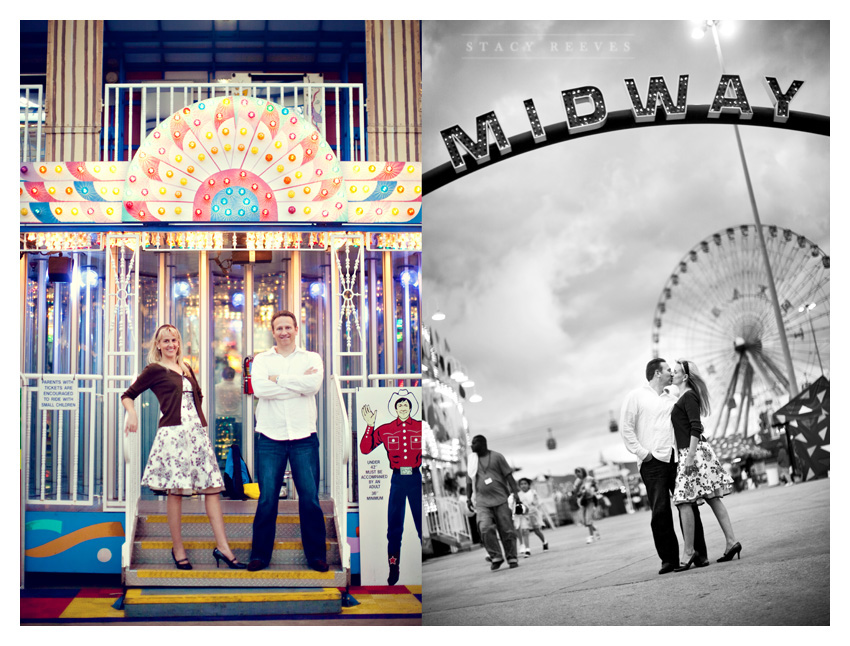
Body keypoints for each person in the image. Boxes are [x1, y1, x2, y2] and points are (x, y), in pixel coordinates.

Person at [121, 324, 246, 570]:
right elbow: (128, 394)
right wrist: (132, 414)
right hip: (173, 435)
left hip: (196, 434)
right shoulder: (154, 369)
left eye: (174, 340)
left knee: (211, 490)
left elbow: (197, 397)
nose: (171, 345)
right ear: (158, 344)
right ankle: (178, 549)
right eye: (166, 341)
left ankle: (223, 547)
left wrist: (199, 424)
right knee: (176, 492)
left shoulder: (187, 368)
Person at [247, 310, 328, 573]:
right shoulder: (261, 360)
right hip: (270, 436)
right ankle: (259, 556)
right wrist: (297, 385)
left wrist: (278, 380)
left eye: (288, 327)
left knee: (310, 499)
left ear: (296, 329)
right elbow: (260, 390)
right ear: (273, 332)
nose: (283, 332)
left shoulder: (312, 358)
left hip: (304, 435)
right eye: (278, 328)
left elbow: (313, 386)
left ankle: (316, 557)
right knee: (267, 499)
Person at [620, 357, 708, 574]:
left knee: (688, 506)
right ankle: (668, 559)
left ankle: (698, 553)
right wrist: (643, 454)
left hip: (676, 459)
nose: (671, 373)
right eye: (668, 370)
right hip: (652, 463)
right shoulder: (635, 397)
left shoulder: (674, 397)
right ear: (657, 373)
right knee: (660, 511)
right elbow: (626, 429)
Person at [670, 359, 741, 569]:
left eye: (675, 372)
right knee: (712, 498)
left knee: (683, 501)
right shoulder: (683, 396)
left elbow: (696, 427)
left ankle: (689, 552)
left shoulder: (689, 395)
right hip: (696, 453)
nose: (672, 374)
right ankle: (731, 542)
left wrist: (690, 457)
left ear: (685, 377)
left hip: (693, 453)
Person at [360, 389, 423, 585]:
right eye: (400, 405)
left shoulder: (421, 427)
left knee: (422, 524)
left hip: (415, 479)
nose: (403, 408)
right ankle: (393, 568)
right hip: (397, 480)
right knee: (394, 528)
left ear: (411, 408)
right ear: (395, 409)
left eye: (406, 405)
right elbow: (365, 448)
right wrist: (370, 425)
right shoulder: (386, 429)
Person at [465, 435, 521, 570]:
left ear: (483, 443)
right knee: (484, 527)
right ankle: (496, 556)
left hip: (501, 499)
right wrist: (468, 498)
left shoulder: (497, 457)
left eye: (474, 443)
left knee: (506, 530)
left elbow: (509, 476)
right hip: (482, 502)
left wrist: (516, 493)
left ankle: (512, 557)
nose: (471, 446)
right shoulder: (472, 460)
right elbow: (468, 481)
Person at [512, 478, 548, 556]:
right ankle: (527, 549)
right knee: (525, 531)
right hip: (524, 515)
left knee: (536, 531)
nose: (523, 485)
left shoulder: (533, 492)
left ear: (528, 485)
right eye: (521, 484)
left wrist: (534, 503)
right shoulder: (519, 494)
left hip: (533, 514)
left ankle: (544, 541)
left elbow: (537, 502)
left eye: (525, 484)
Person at [573, 467, 601, 543]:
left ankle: (591, 537)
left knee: (588, 518)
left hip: (590, 500)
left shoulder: (590, 479)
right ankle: (595, 529)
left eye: (579, 472)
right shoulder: (577, 481)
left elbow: (597, 488)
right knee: (584, 521)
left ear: (583, 472)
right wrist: (578, 493)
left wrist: (591, 489)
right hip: (582, 501)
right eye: (576, 472)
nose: (577, 474)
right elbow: (575, 492)